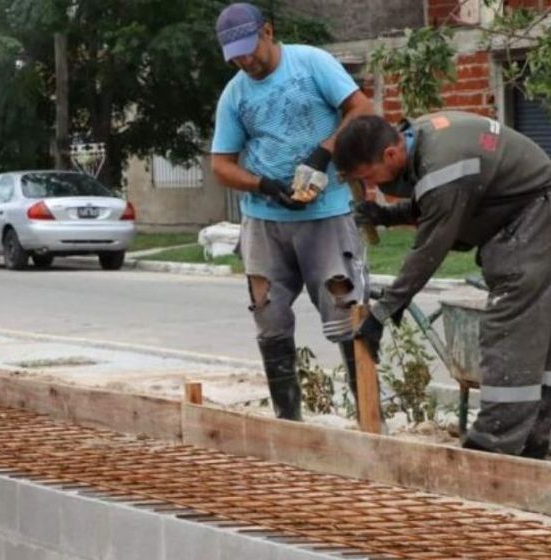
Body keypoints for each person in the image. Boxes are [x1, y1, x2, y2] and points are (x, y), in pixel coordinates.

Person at [333, 111, 551, 458]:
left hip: (534, 218)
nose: (372, 186)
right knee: (538, 336)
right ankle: (537, 439)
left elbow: (430, 247)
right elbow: (439, 203)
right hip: (528, 210)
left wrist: (383, 311)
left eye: (368, 176)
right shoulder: (419, 140)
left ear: (390, 154)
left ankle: (492, 447)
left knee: (509, 327)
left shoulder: (445, 166)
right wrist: (388, 215)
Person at [210, 3, 374, 420]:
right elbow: (222, 165)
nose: (246, 61)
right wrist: (265, 185)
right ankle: (289, 420)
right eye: (236, 57)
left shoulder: (312, 63)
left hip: (327, 216)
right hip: (266, 222)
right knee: (270, 320)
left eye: (250, 50)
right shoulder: (236, 94)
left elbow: (360, 109)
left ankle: (370, 419)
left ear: (268, 31)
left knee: (346, 315)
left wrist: (324, 155)